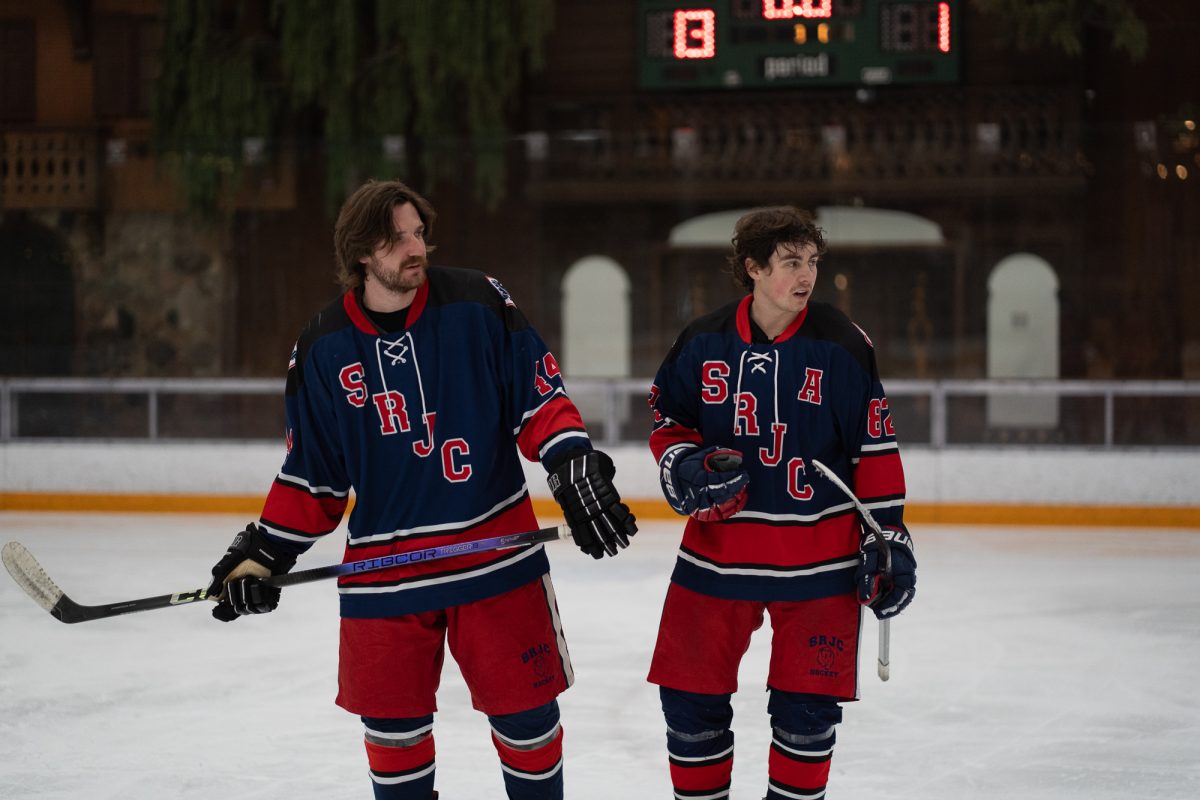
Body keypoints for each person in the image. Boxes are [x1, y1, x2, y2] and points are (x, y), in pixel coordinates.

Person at [206, 179, 637, 800]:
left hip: (496, 559)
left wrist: (572, 465)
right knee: (393, 735)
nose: (415, 247)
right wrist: (266, 550)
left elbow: (539, 399)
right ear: (362, 254)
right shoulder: (322, 347)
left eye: (417, 232)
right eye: (396, 238)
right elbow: (315, 475)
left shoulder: (476, 303)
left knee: (528, 724)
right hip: (386, 574)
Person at [645, 206, 916, 799]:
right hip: (717, 556)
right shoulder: (701, 340)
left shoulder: (844, 344)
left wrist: (888, 536)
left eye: (813, 261)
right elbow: (669, 423)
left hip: (819, 562)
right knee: (689, 706)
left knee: (807, 717)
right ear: (753, 267)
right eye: (792, 261)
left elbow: (875, 448)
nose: (807, 275)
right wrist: (683, 463)